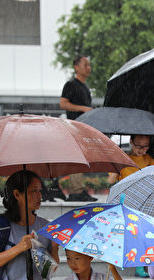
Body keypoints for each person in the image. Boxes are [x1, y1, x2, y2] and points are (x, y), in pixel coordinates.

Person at [110, 134, 154, 278]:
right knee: (132, 233)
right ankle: (134, 263)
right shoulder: (122, 159)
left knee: (143, 233)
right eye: (138, 146)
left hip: (145, 200)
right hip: (127, 201)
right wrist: (117, 163)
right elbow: (110, 179)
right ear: (131, 142)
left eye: (146, 146)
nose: (142, 150)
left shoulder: (148, 160)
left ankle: (142, 264)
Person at [59, 55, 96, 202]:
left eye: (89, 65)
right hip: (73, 126)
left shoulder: (86, 88)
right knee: (75, 158)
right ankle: (76, 191)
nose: (88, 68)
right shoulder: (71, 85)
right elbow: (63, 103)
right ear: (76, 67)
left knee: (81, 159)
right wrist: (83, 109)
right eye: (85, 64)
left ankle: (79, 189)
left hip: (83, 127)